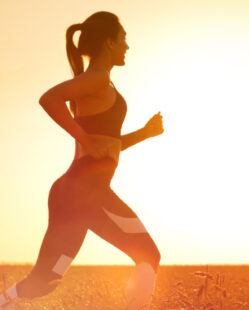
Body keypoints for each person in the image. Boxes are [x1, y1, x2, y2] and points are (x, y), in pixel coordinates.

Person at [0, 11, 164, 310]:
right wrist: (86, 141)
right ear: (108, 43)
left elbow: (107, 147)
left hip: (73, 195)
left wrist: (144, 133)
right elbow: (49, 98)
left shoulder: (102, 84)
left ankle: (4, 303)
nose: (127, 46)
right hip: (86, 192)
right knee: (148, 255)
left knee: (45, 281)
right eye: (123, 38)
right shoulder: (97, 79)